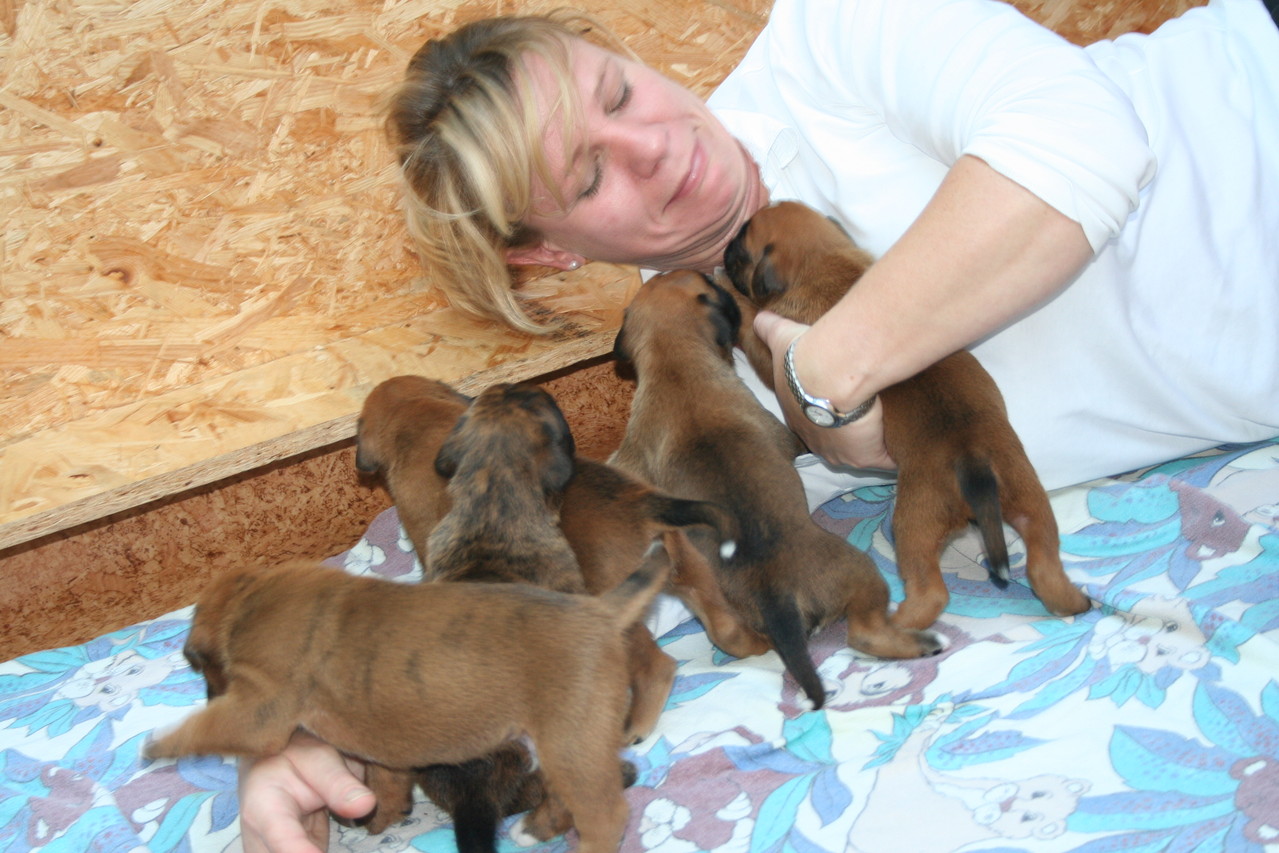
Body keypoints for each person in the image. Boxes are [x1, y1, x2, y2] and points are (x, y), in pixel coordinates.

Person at [237, 0, 1279, 848]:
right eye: (588, 175)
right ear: (547, 253)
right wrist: (314, 704)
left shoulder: (834, 33)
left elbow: (1087, 144)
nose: (655, 145)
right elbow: (553, 552)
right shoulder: (687, 346)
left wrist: (828, 377)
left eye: (619, 93)